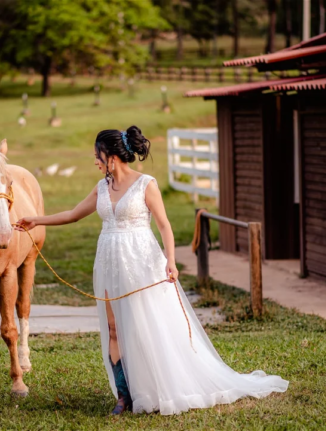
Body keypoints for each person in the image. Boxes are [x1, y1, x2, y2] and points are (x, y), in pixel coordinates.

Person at [15, 126, 288, 416]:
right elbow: (72, 215)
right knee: (113, 329)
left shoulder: (146, 184)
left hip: (142, 263)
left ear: (112, 157)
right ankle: (124, 395)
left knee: (145, 324)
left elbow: (164, 225)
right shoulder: (101, 188)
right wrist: (36, 220)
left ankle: (159, 385)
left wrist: (170, 260)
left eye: (97, 155)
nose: (95, 160)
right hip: (108, 263)